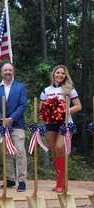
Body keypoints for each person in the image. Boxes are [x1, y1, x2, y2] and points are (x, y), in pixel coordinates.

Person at [39, 65, 82, 193]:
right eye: (58, 73)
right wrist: (47, 112)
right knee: (55, 152)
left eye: (63, 73)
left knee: (59, 147)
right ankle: (60, 181)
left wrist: (64, 111)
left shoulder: (69, 89)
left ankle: (61, 183)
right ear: (53, 74)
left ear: (65, 76)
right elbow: (41, 109)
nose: (60, 75)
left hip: (65, 122)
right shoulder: (46, 90)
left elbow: (78, 106)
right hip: (51, 123)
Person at [0, 63, 28, 192]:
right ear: (1, 72)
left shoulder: (20, 87)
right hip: (1, 125)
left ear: (13, 72)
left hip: (17, 125)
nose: (8, 72)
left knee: (20, 152)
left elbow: (22, 105)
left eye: (10, 70)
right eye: (5, 70)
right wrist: (2, 118)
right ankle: (10, 179)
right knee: (6, 153)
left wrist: (11, 118)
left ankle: (21, 180)